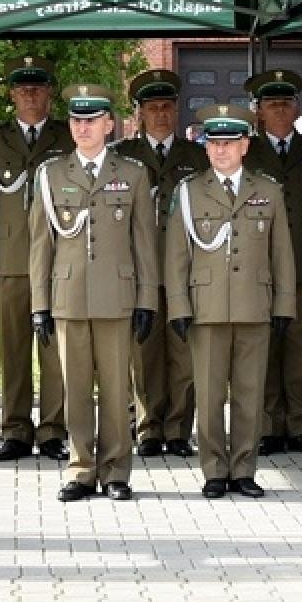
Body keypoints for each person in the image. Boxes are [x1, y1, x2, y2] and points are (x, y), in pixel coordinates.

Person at [29, 85, 158, 502]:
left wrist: (146, 300)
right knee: (76, 388)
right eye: (77, 120)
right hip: (68, 296)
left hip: (117, 296)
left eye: (91, 120)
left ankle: (117, 471)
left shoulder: (133, 174)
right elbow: (40, 245)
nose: (83, 127)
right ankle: (81, 468)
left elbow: (144, 243)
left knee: (118, 389)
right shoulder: (50, 175)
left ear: (109, 124)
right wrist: (40, 304)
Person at [165, 105, 297, 499]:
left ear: (245, 145)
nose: (221, 150)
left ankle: (244, 468)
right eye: (214, 143)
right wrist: (178, 306)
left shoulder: (268, 189)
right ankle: (213, 470)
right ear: (205, 148)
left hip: (254, 305)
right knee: (208, 394)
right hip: (205, 307)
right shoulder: (188, 192)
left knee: (249, 393)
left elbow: (282, 253)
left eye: (229, 143)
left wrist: (285, 304)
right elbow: (176, 256)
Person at [0, 55, 72, 462]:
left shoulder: (68, 137)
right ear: (12, 94)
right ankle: (14, 429)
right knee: (12, 349)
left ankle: (52, 430)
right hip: (11, 258)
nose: (30, 94)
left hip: (58, 258)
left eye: (37, 87)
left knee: (55, 350)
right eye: (22, 88)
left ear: (49, 92)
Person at [113, 69, 207, 458]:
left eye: (167, 107)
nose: (161, 115)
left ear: (177, 110)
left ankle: (179, 428)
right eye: (152, 108)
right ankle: (149, 427)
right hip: (141, 268)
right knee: (144, 350)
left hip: (186, 268)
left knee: (184, 351)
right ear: (139, 114)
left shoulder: (197, 157)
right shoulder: (123, 157)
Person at [242, 68, 302, 456]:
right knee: (264, 347)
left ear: (297, 108)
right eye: (272, 103)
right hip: (258, 266)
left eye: (287, 102)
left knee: (299, 347)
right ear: (259, 111)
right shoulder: (247, 149)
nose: (280, 109)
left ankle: (299, 426)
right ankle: (268, 426)